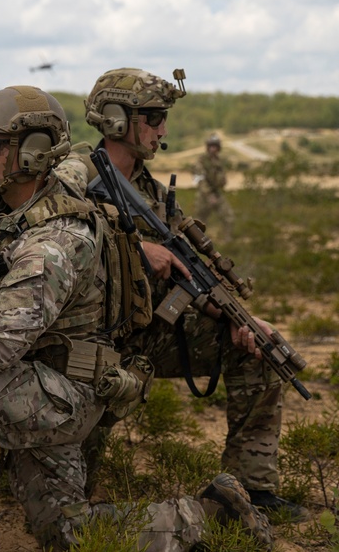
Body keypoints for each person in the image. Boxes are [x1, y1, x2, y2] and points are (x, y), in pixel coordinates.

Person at [0, 86, 272, 552]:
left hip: (64, 393)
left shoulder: (52, 242)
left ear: (31, 152)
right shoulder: (19, 216)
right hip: (46, 378)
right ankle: (210, 515)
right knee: (67, 532)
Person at [79, 67, 307, 523]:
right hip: (83, 343)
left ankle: (253, 490)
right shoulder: (72, 174)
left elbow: (188, 271)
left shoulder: (155, 195)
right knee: (67, 501)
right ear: (117, 119)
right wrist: (137, 250)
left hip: (143, 332)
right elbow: (42, 245)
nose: (163, 129)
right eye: (155, 117)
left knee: (260, 349)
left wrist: (237, 318)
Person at [192, 133, 235, 241]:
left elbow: (221, 179)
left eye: (215, 146)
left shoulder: (218, 161)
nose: (213, 149)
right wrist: (208, 195)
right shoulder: (202, 161)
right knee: (200, 222)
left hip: (217, 193)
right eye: (211, 146)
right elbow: (200, 179)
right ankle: (197, 242)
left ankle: (227, 240)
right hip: (204, 196)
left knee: (228, 217)